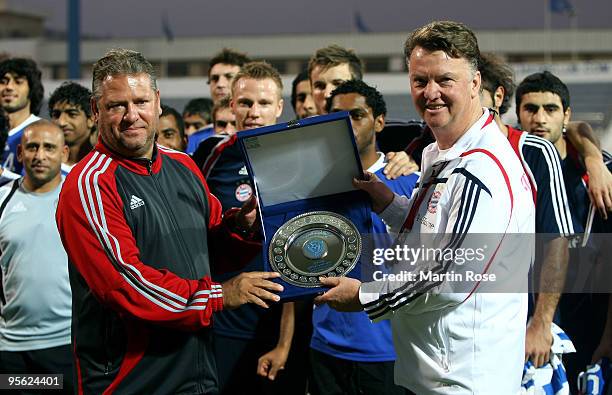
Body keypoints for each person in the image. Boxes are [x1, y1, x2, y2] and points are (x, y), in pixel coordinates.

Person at [316, 21, 535, 394]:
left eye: (444, 80)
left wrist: (364, 295)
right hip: (436, 374)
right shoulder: (444, 152)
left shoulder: (479, 167)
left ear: (475, 83)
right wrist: (387, 203)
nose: (431, 92)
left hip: (463, 381)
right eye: (420, 80)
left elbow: (450, 277)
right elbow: (434, 236)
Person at [55, 48, 283, 394]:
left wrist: (241, 226)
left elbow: (209, 250)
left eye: (141, 101)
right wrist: (220, 295)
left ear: (158, 102)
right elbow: (126, 286)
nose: (132, 115)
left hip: (198, 369)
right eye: (117, 106)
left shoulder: (183, 166)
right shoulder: (90, 184)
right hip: (131, 380)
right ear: (95, 110)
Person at [194, 61, 297, 395]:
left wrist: (285, 341)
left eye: (264, 103)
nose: (254, 111)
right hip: (223, 319)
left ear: (279, 107)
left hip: (278, 324)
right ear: (231, 105)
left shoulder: (300, 158)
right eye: (246, 103)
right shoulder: (210, 155)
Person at [308, 79, 416, 395]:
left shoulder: (408, 181)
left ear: (379, 121)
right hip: (326, 346)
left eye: (357, 115)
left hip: (388, 349)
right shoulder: (313, 185)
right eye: (337, 118)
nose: (347, 125)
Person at [515, 70, 612, 392]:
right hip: (529, 321)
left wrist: (595, 160)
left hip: (590, 323)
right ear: (517, 114)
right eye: (530, 109)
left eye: (551, 109)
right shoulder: (511, 166)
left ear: (566, 115)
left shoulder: (600, 174)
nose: (540, 119)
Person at [0, 119, 74, 394]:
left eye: (48, 148)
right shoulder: (2, 201)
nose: (39, 155)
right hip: (11, 351)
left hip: (65, 345)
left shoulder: (79, 199)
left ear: (64, 153)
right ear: (19, 153)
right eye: (32, 147)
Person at [308, 45, 413, 179]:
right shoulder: (295, 141)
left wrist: (414, 159)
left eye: (338, 83)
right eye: (319, 86)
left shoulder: (400, 137)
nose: (328, 94)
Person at [0, 58, 43, 175]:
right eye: (3, 81)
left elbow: (40, 184)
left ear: (31, 89)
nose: (9, 87)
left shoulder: (42, 130)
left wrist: (3, 174)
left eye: (18, 82)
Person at [48, 81, 95, 173]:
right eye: (56, 115)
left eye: (72, 114)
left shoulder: (103, 165)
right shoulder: (41, 166)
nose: (61, 122)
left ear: (91, 119)